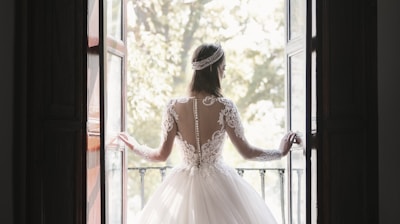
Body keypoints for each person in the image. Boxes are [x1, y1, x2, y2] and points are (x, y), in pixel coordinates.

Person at [118, 43, 301, 224]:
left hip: (182, 183)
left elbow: (161, 155)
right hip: (219, 184)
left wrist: (135, 146)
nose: (225, 73)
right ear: (214, 69)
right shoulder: (225, 106)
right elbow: (247, 152)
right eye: (223, 68)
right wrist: (279, 152)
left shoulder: (174, 107)